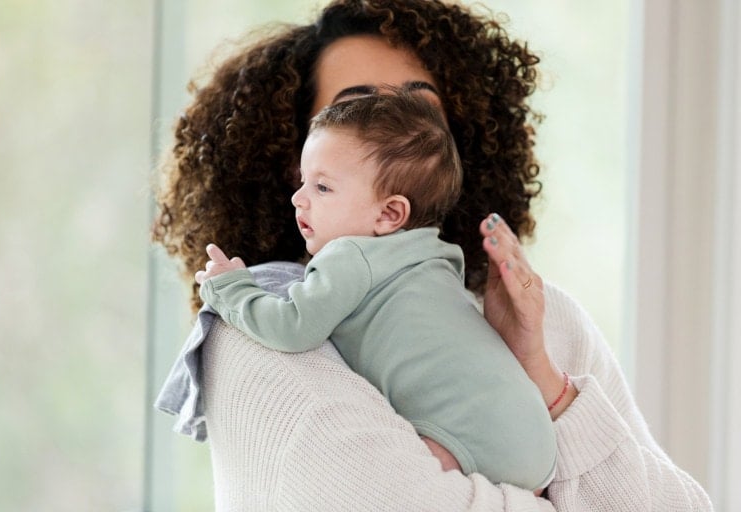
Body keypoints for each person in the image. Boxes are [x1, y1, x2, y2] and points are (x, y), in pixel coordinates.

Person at [153, 0, 714, 510]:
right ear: (295, 155)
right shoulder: (249, 327)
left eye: (421, 113)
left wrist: (542, 375)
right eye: (359, 112)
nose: (399, 128)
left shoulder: (545, 319)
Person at [193, 91, 558, 491]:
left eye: (322, 188)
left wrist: (231, 289)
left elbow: (292, 327)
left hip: (464, 435)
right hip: (535, 436)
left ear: (388, 214)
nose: (298, 199)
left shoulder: (351, 254)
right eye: (303, 182)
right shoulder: (438, 256)